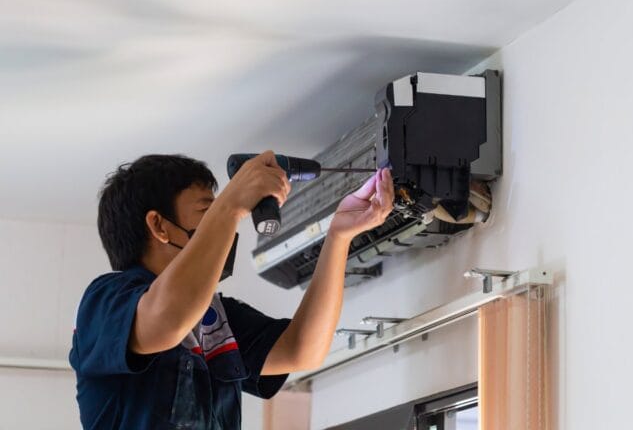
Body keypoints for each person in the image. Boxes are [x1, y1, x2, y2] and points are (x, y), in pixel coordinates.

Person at [69, 151, 394, 429]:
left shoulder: (215, 318)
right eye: (206, 212)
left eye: (217, 212)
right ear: (159, 226)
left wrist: (338, 237)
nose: (222, 226)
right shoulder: (105, 301)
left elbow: (301, 349)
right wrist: (229, 207)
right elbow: (168, 319)